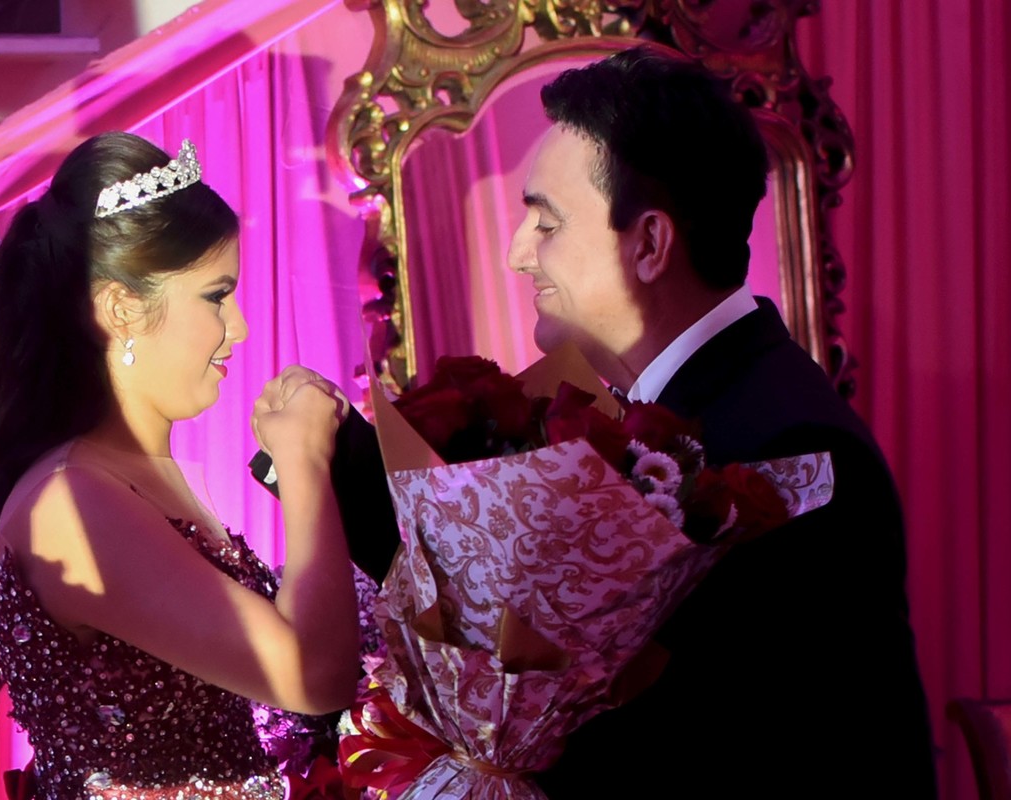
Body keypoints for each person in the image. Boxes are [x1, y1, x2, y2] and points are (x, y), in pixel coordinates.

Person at [326, 45, 938, 796]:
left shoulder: (789, 448)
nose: (518, 254)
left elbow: (723, 739)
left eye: (545, 223)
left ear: (648, 243)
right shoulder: (661, 409)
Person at [0, 131, 359, 799]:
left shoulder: (121, 477)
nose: (240, 328)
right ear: (122, 309)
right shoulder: (73, 503)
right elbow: (314, 675)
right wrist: (305, 460)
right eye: (216, 296)